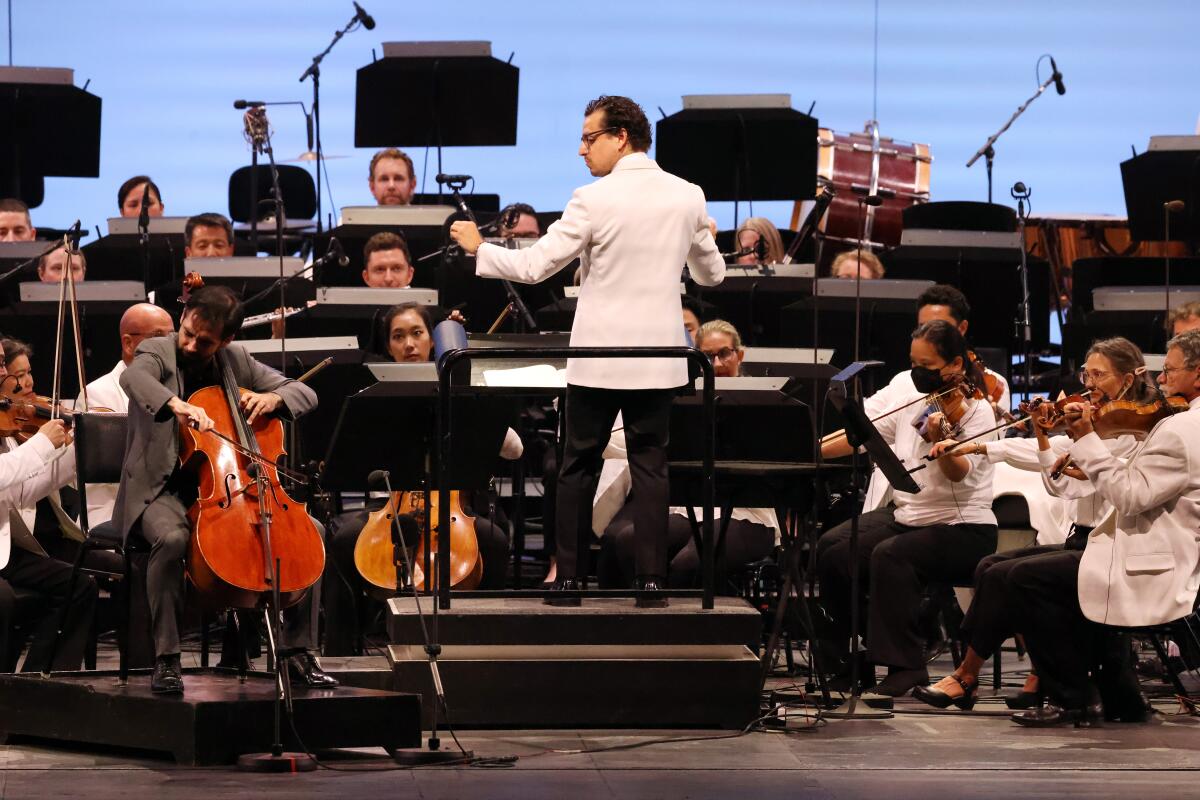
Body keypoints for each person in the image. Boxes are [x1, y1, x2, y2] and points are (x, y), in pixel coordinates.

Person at [449, 94, 724, 607]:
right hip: (659, 360)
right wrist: (703, 235)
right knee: (651, 468)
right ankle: (651, 583)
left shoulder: (592, 199)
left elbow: (533, 268)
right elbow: (712, 275)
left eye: (589, 138)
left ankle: (570, 580)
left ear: (620, 137)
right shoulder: (688, 195)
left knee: (577, 465)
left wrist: (477, 247)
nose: (581, 150)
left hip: (599, 357)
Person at [111, 285, 336, 694]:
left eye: (206, 341)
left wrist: (272, 398)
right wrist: (178, 405)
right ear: (184, 319)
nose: (192, 344)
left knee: (312, 535)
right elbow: (134, 378)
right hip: (161, 491)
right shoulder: (158, 352)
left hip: (227, 489)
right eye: (188, 332)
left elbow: (305, 392)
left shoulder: (236, 359)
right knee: (174, 538)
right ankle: (166, 659)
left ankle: (299, 652)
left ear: (227, 340)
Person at [913, 337, 1152, 712]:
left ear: (1126, 378)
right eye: (1085, 373)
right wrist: (986, 446)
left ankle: (981, 677)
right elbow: (1056, 473)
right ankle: (976, 675)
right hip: (1083, 541)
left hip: (1111, 546)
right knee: (991, 566)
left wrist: (1061, 443)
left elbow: (1073, 484)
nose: (1087, 383)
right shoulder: (1096, 422)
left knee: (1015, 577)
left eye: (1098, 374)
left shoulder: (1135, 428)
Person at [996, 329, 1200, 726]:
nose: (1159, 381)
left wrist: (1088, 439)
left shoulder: (1181, 430)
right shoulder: (1182, 423)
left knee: (1024, 578)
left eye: (1170, 371)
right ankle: (1119, 694)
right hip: (1168, 549)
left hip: (1155, 560)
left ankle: (1073, 696)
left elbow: (1129, 496)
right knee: (1021, 570)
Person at [323, 302, 521, 654]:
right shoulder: (378, 393)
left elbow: (514, 449)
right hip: (391, 503)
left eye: (417, 333)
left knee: (494, 540)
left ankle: (483, 643)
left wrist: (467, 395)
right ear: (388, 346)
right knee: (341, 541)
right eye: (398, 336)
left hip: (454, 505)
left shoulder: (457, 385)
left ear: (432, 340)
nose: (409, 344)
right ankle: (341, 652)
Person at [818, 319, 999, 696]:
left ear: (955, 366)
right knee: (833, 549)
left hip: (962, 527)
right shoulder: (912, 400)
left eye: (927, 367)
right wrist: (810, 448)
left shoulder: (976, 412)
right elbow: (862, 439)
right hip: (909, 516)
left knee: (891, 556)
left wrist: (942, 443)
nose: (917, 373)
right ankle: (852, 658)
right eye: (913, 363)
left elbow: (959, 475)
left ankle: (907, 664)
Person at [598, 320, 777, 589]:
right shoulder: (681, 401)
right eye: (707, 356)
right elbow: (629, 442)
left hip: (748, 514)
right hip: (690, 508)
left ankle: (687, 628)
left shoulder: (764, 400)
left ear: (739, 355)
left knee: (689, 564)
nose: (716, 365)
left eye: (724, 354)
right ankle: (641, 624)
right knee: (627, 541)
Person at [0, 337, 94, 673]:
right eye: (3, 367)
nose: (11, 379)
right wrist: (41, 445)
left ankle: (40, 687)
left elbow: (20, 494)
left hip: (6, 550)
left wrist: (72, 453)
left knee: (80, 586)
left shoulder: (6, 421)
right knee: (4, 602)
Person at [75, 304, 175, 527]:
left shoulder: (176, 389)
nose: (169, 345)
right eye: (158, 336)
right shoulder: (97, 393)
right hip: (113, 508)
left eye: (172, 336)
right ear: (128, 343)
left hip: (164, 507)